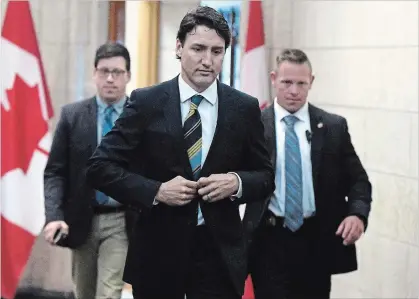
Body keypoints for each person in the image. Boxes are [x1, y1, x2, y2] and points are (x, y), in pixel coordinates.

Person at [85, 6, 274, 299]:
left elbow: (265, 176)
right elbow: (99, 167)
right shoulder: (147, 102)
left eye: (216, 51)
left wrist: (236, 182)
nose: (207, 60)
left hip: (219, 255)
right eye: (198, 48)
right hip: (158, 252)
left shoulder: (244, 108)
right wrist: (156, 190)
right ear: (178, 47)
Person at [244, 48, 372, 299]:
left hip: (316, 241)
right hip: (269, 241)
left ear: (311, 81)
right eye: (287, 82)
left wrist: (357, 215)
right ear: (273, 79)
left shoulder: (333, 127)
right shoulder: (254, 126)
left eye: (301, 83)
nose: (294, 91)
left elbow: (359, 181)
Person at [43, 42, 136, 299]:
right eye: (104, 71)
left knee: (109, 292)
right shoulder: (73, 116)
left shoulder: (140, 116)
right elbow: (55, 172)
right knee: (83, 292)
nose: (110, 78)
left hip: (121, 220)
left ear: (128, 76)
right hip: (82, 218)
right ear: (94, 74)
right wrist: (54, 215)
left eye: (117, 72)